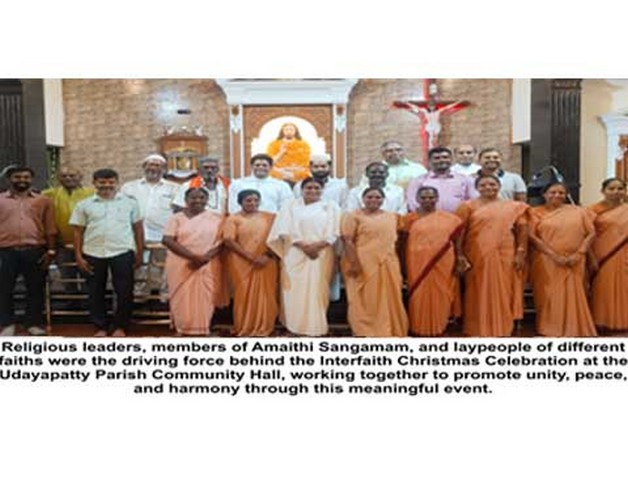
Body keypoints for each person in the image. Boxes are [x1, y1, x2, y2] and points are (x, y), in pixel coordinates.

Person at [70, 168, 144, 337]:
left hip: (122, 251)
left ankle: (120, 326)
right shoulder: (84, 205)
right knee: (95, 291)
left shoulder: (130, 203)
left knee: (124, 291)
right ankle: (100, 326)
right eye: (102, 182)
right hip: (93, 252)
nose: (107, 185)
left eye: (111, 182)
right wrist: (78, 256)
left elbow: (138, 229)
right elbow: (78, 232)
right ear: (94, 183)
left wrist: (139, 252)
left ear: (117, 183)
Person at [455, 174, 528, 337]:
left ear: (499, 186)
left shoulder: (514, 206)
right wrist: (459, 255)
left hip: (505, 251)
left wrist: (521, 252)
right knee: (477, 288)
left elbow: (522, 230)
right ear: (477, 188)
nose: (488, 188)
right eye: (483, 185)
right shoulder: (467, 206)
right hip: (477, 252)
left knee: (505, 287)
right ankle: (477, 327)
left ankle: (503, 327)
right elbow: (459, 233)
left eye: (492, 184)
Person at [267, 178, 341, 336]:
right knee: (292, 290)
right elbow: (284, 228)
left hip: (322, 253)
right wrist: (303, 245)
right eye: (308, 187)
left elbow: (335, 230)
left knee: (317, 289)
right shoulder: (290, 205)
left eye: (316, 188)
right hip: (295, 252)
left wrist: (319, 245)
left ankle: (316, 326)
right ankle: (294, 325)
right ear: (302, 189)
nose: (313, 190)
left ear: (322, 189)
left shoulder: (331, 206)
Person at [529, 182, 597, 337]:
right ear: (544, 195)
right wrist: (554, 256)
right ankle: (549, 328)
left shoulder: (579, 211)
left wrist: (579, 253)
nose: (557, 196)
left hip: (575, 259)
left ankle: (576, 328)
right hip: (546, 259)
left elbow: (591, 234)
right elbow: (532, 237)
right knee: (549, 295)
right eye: (552, 192)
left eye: (561, 193)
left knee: (576, 293)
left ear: (566, 195)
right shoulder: (534, 212)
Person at [341, 187, 408, 337]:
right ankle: (365, 330)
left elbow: (398, 240)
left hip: (388, 262)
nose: (373, 200)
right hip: (362, 262)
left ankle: (389, 329)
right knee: (363, 299)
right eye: (369, 197)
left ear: (383, 200)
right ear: (363, 199)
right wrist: (354, 263)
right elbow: (348, 240)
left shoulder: (393, 217)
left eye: (378, 197)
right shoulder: (353, 216)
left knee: (391, 296)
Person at [0, 166, 57, 336]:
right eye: (17, 177)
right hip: (5, 251)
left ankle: (32, 323)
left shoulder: (43, 200)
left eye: (26, 177)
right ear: (9, 179)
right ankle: (7, 324)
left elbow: (50, 227)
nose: (22, 180)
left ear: (31, 179)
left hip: (35, 250)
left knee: (35, 288)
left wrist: (51, 251)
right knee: (4, 289)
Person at [162, 188, 225, 336]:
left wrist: (205, 258)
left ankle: (202, 329)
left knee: (206, 297)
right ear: (186, 199)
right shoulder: (176, 218)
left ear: (207, 199)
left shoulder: (216, 218)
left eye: (202, 197)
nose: (198, 200)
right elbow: (167, 240)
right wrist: (193, 257)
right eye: (193, 197)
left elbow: (222, 242)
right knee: (180, 296)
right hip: (181, 263)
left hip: (207, 263)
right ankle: (183, 328)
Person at [402, 186, 463, 336]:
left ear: (437, 198)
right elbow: (402, 243)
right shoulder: (408, 219)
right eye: (423, 198)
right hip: (416, 262)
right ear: (417, 199)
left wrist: (460, 257)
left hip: (443, 261)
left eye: (431, 197)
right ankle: (418, 327)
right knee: (418, 293)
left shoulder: (450, 219)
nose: (427, 200)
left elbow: (457, 241)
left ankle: (440, 325)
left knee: (443, 291)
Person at [121, 154, 180, 295]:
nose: (153, 168)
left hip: (163, 235)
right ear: (144, 167)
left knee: (164, 267)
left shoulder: (174, 188)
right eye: (150, 164)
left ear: (164, 169)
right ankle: (140, 297)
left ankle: (164, 297)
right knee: (138, 266)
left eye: (158, 165)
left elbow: (179, 212)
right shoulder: (129, 187)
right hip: (135, 234)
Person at [223, 189, 278, 337]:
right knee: (243, 295)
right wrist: (251, 258)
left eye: (255, 200)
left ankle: (265, 326)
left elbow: (278, 238)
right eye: (248, 200)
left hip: (267, 261)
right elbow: (229, 241)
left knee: (267, 295)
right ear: (240, 202)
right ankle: (244, 326)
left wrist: (266, 256)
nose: (252, 203)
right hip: (241, 262)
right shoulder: (233, 219)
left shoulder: (271, 217)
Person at [42, 165, 94, 292]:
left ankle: (90, 303)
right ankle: (72, 303)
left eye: (72, 175)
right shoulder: (48, 194)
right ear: (59, 178)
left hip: (88, 244)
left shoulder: (92, 194)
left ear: (80, 177)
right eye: (64, 176)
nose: (68, 178)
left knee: (89, 275)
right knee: (67, 276)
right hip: (62, 245)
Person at [588, 178, 628, 331]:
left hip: (625, 254)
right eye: (611, 189)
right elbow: (586, 234)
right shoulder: (592, 210)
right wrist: (591, 257)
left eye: (620, 188)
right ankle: (602, 321)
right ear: (603, 191)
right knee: (603, 289)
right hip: (602, 256)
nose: (616, 192)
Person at [406, 147, 477, 213]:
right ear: (429, 160)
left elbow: (474, 201)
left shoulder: (465, 180)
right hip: (428, 220)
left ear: (451, 159)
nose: (442, 160)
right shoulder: (419, 181)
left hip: (459, 221)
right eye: (437, 158)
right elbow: (412, 203)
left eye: (445, 157)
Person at [228, 154, 294, 214]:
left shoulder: (281, 186)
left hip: (272, 223)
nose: (261, 167)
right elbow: (233, 206)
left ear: (271, 167)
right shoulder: (239, 184)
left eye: (264, 165)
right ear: (251, 166)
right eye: (257, 165)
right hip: (244, 223)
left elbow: (287, 207)